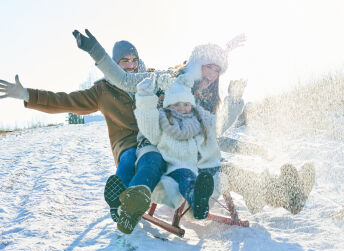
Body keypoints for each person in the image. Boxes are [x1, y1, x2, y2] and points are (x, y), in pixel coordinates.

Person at [73, 29, 315, 215]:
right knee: (224, 169)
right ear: (195, 66)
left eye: (216, 71)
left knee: (226, 166)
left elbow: (216, 134)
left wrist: (252, 143)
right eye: (206, 68)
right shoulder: (168, 79)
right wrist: (95, 51)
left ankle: (286, 191)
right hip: (172, 160)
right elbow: (125, 79)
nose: (211, 76)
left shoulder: (200, 101)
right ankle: (282, 194)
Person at [0, 39, 168, 233]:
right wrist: (27, 95)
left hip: (152, 139)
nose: (131, 65)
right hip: (126, 143)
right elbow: (66, 101)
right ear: (114, 64)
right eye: (124, 61)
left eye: (134, 59)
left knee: (151, 160)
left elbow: (178, 85)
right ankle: (119, 199)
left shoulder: (151, 79)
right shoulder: (103, 91)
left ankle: (133, 200)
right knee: (129, 158)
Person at [134, 73, 220, 222]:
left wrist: (234, 101)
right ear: (168, 105)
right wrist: (145, 97)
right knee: (187, 179)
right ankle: (196, 202)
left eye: (186, 104)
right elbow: (148, 124)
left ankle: (199, 202)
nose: (182, 108)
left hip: (194, 165)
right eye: (176, 104)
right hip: (173, 166)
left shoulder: (197, 118)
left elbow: (220, 123)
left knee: (195, 178)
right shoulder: (162, 119)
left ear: (191, 104)